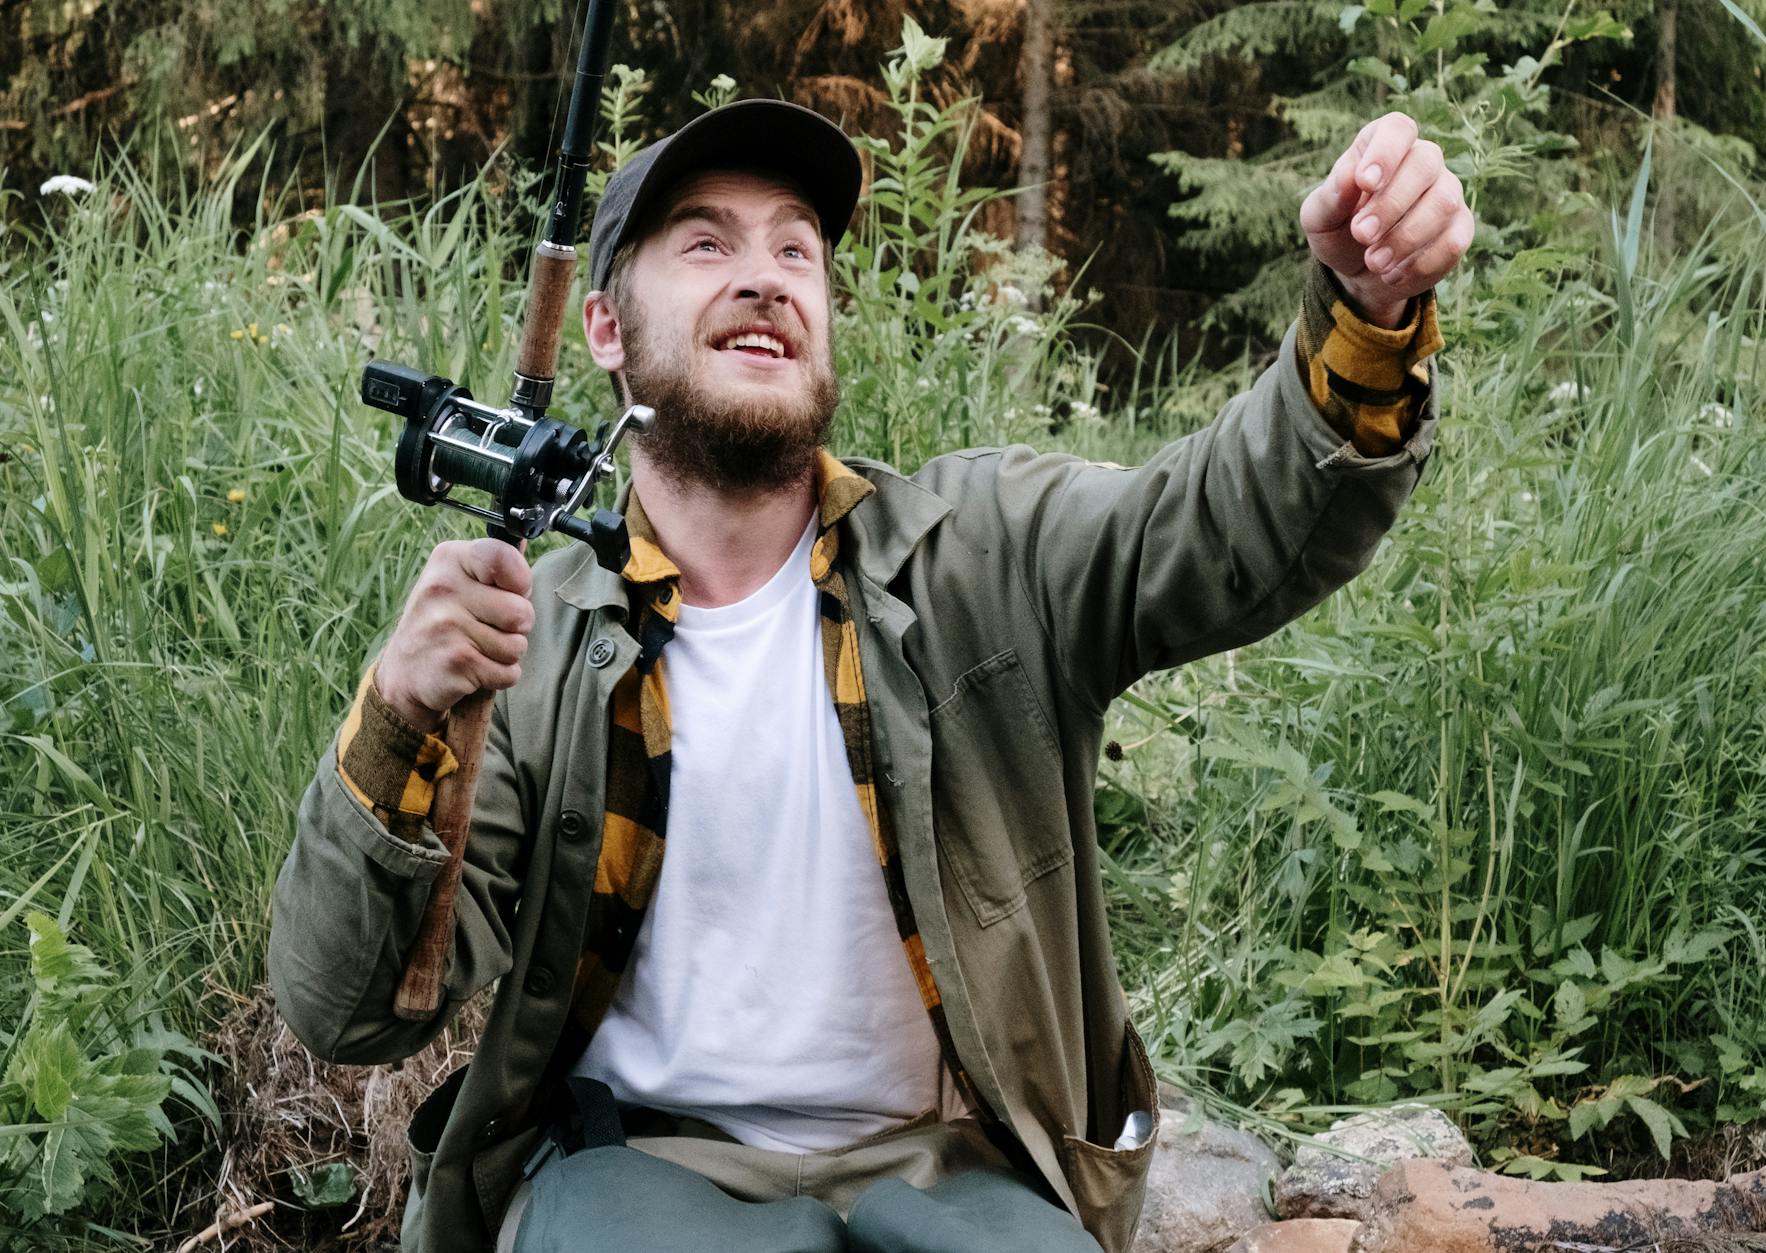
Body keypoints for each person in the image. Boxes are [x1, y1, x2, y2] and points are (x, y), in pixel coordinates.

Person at [270, 97, 1470, 1253]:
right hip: (641, 1167)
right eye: (704, 243)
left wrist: (1366, 308)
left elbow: (1223, 526)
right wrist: (401, 713)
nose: (765, 274)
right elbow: (353, 1007)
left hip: (951, 1169)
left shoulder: (984, 550)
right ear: (602, 328)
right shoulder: (529, 655)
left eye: (796, 247)